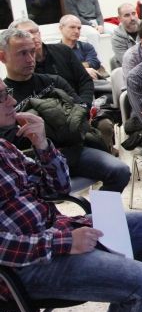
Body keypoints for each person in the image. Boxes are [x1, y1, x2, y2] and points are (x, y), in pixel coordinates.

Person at [0, 80, 142, 312]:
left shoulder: (5, 148)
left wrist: (42, 144)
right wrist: (65, 242)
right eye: (1, 96)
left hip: (54, 233)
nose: (10, 101)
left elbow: (57, 188)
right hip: (27, 265)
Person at [0, 28, 130, 192]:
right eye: (22, 53)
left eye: (32, 52)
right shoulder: (4, 97)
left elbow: (79, 118)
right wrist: (57, 124)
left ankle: (96, 216)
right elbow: (10, 140)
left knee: (121, 171)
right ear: (3, 57)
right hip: (31, 161)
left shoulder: (53, 81)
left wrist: (43, 128)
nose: (30, 59)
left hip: (74, 151)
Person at [59, 14, 109, 81]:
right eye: (72, 27)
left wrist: (69, 67)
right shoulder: (55, 50)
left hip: (91, 82)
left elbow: (94, 63)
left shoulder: (86, 46)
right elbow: (58, 70)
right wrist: (84, 69)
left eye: (79, 28)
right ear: (61, 28)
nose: (77, 31)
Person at [111, 3, 141, 67]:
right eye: (127, 15)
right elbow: (127, 63)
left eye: (134, 13)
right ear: (119, 19)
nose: (132, 18)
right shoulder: (116, 38)